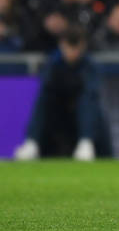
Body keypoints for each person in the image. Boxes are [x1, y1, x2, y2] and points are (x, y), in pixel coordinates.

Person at [14, 25, 110, 160]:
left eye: (75, 47)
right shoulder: (53, 64)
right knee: (43, 99)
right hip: (58, 118)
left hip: (83, 118)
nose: (72, 52)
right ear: (62, 45)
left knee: (87, 102)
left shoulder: (90, 66)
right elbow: (46, 93)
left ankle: (86, 142)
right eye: (69, 46)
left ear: (83, 46)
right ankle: (32, 142)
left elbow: (91, 94)